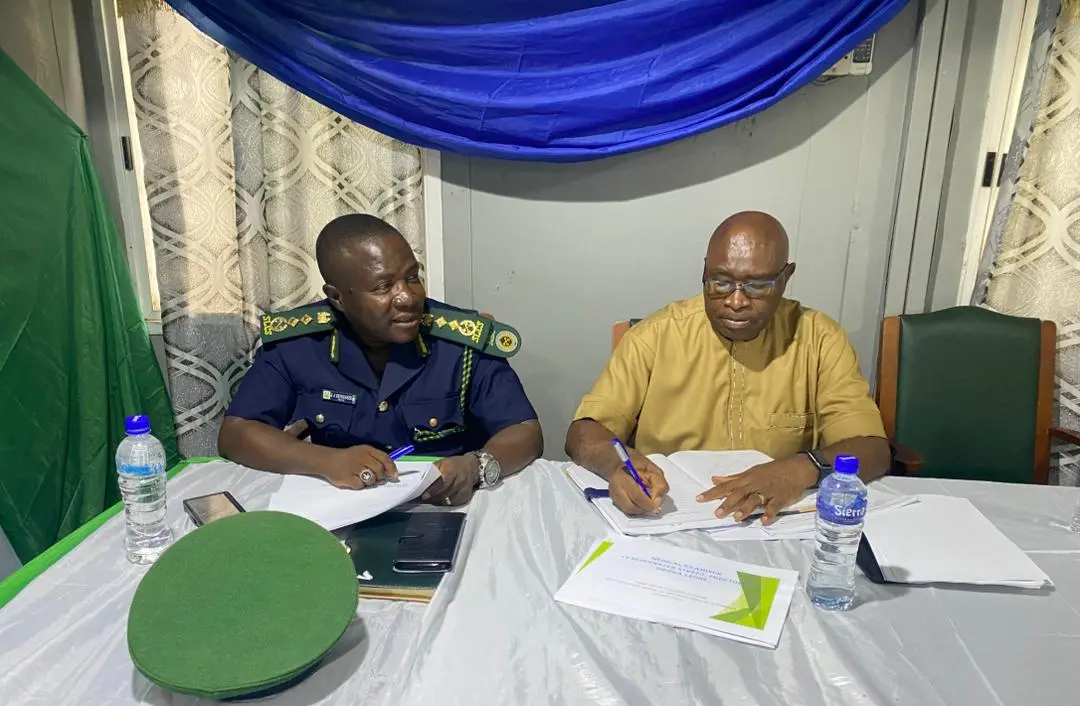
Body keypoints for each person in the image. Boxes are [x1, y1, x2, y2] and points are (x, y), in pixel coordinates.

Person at [565, 211, 890, 523]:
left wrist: (798, 469)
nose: (735, 301)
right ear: (704, 271)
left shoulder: (820, 339)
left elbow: (872, 448)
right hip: (671, 517)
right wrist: (621, 466)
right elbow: (583, 434)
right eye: (719, 282)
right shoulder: (655, 335)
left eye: (757, 285)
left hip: (774, 522)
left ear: (786, 277)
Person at [219, 214, 543, 506]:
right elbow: (237, 432)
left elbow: (525, 431)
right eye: (383, 286)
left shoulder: (461, 341)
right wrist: (325, 461)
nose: (408, 297)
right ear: (337, 297)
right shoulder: (299, 345)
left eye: (412, 277)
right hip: (341, 505)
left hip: (447, 506)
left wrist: (475, 465)